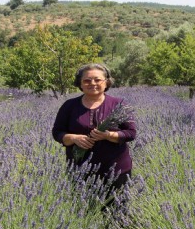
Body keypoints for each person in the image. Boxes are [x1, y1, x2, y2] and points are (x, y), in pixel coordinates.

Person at [52, 63, 136, 214]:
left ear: (106, 82)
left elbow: (131, 133)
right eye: (87, 80)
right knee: (85, 214)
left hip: (116, 170)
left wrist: (108, 135)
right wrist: (72, 138)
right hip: (80, 170)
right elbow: (57, 132)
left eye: (97, 80)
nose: (92, 84)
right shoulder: (69, 106)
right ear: (80, 84)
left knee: (116, 215)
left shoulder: (119, 104)